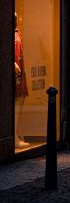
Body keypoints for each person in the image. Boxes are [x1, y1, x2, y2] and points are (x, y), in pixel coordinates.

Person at [14, 13, 30, 149]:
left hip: (19, 73)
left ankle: (16, 134)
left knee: (20, 102)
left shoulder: (15, 34)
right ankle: (14, 136)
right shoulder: (12, 35)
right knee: (17, 103)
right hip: (15, 76)